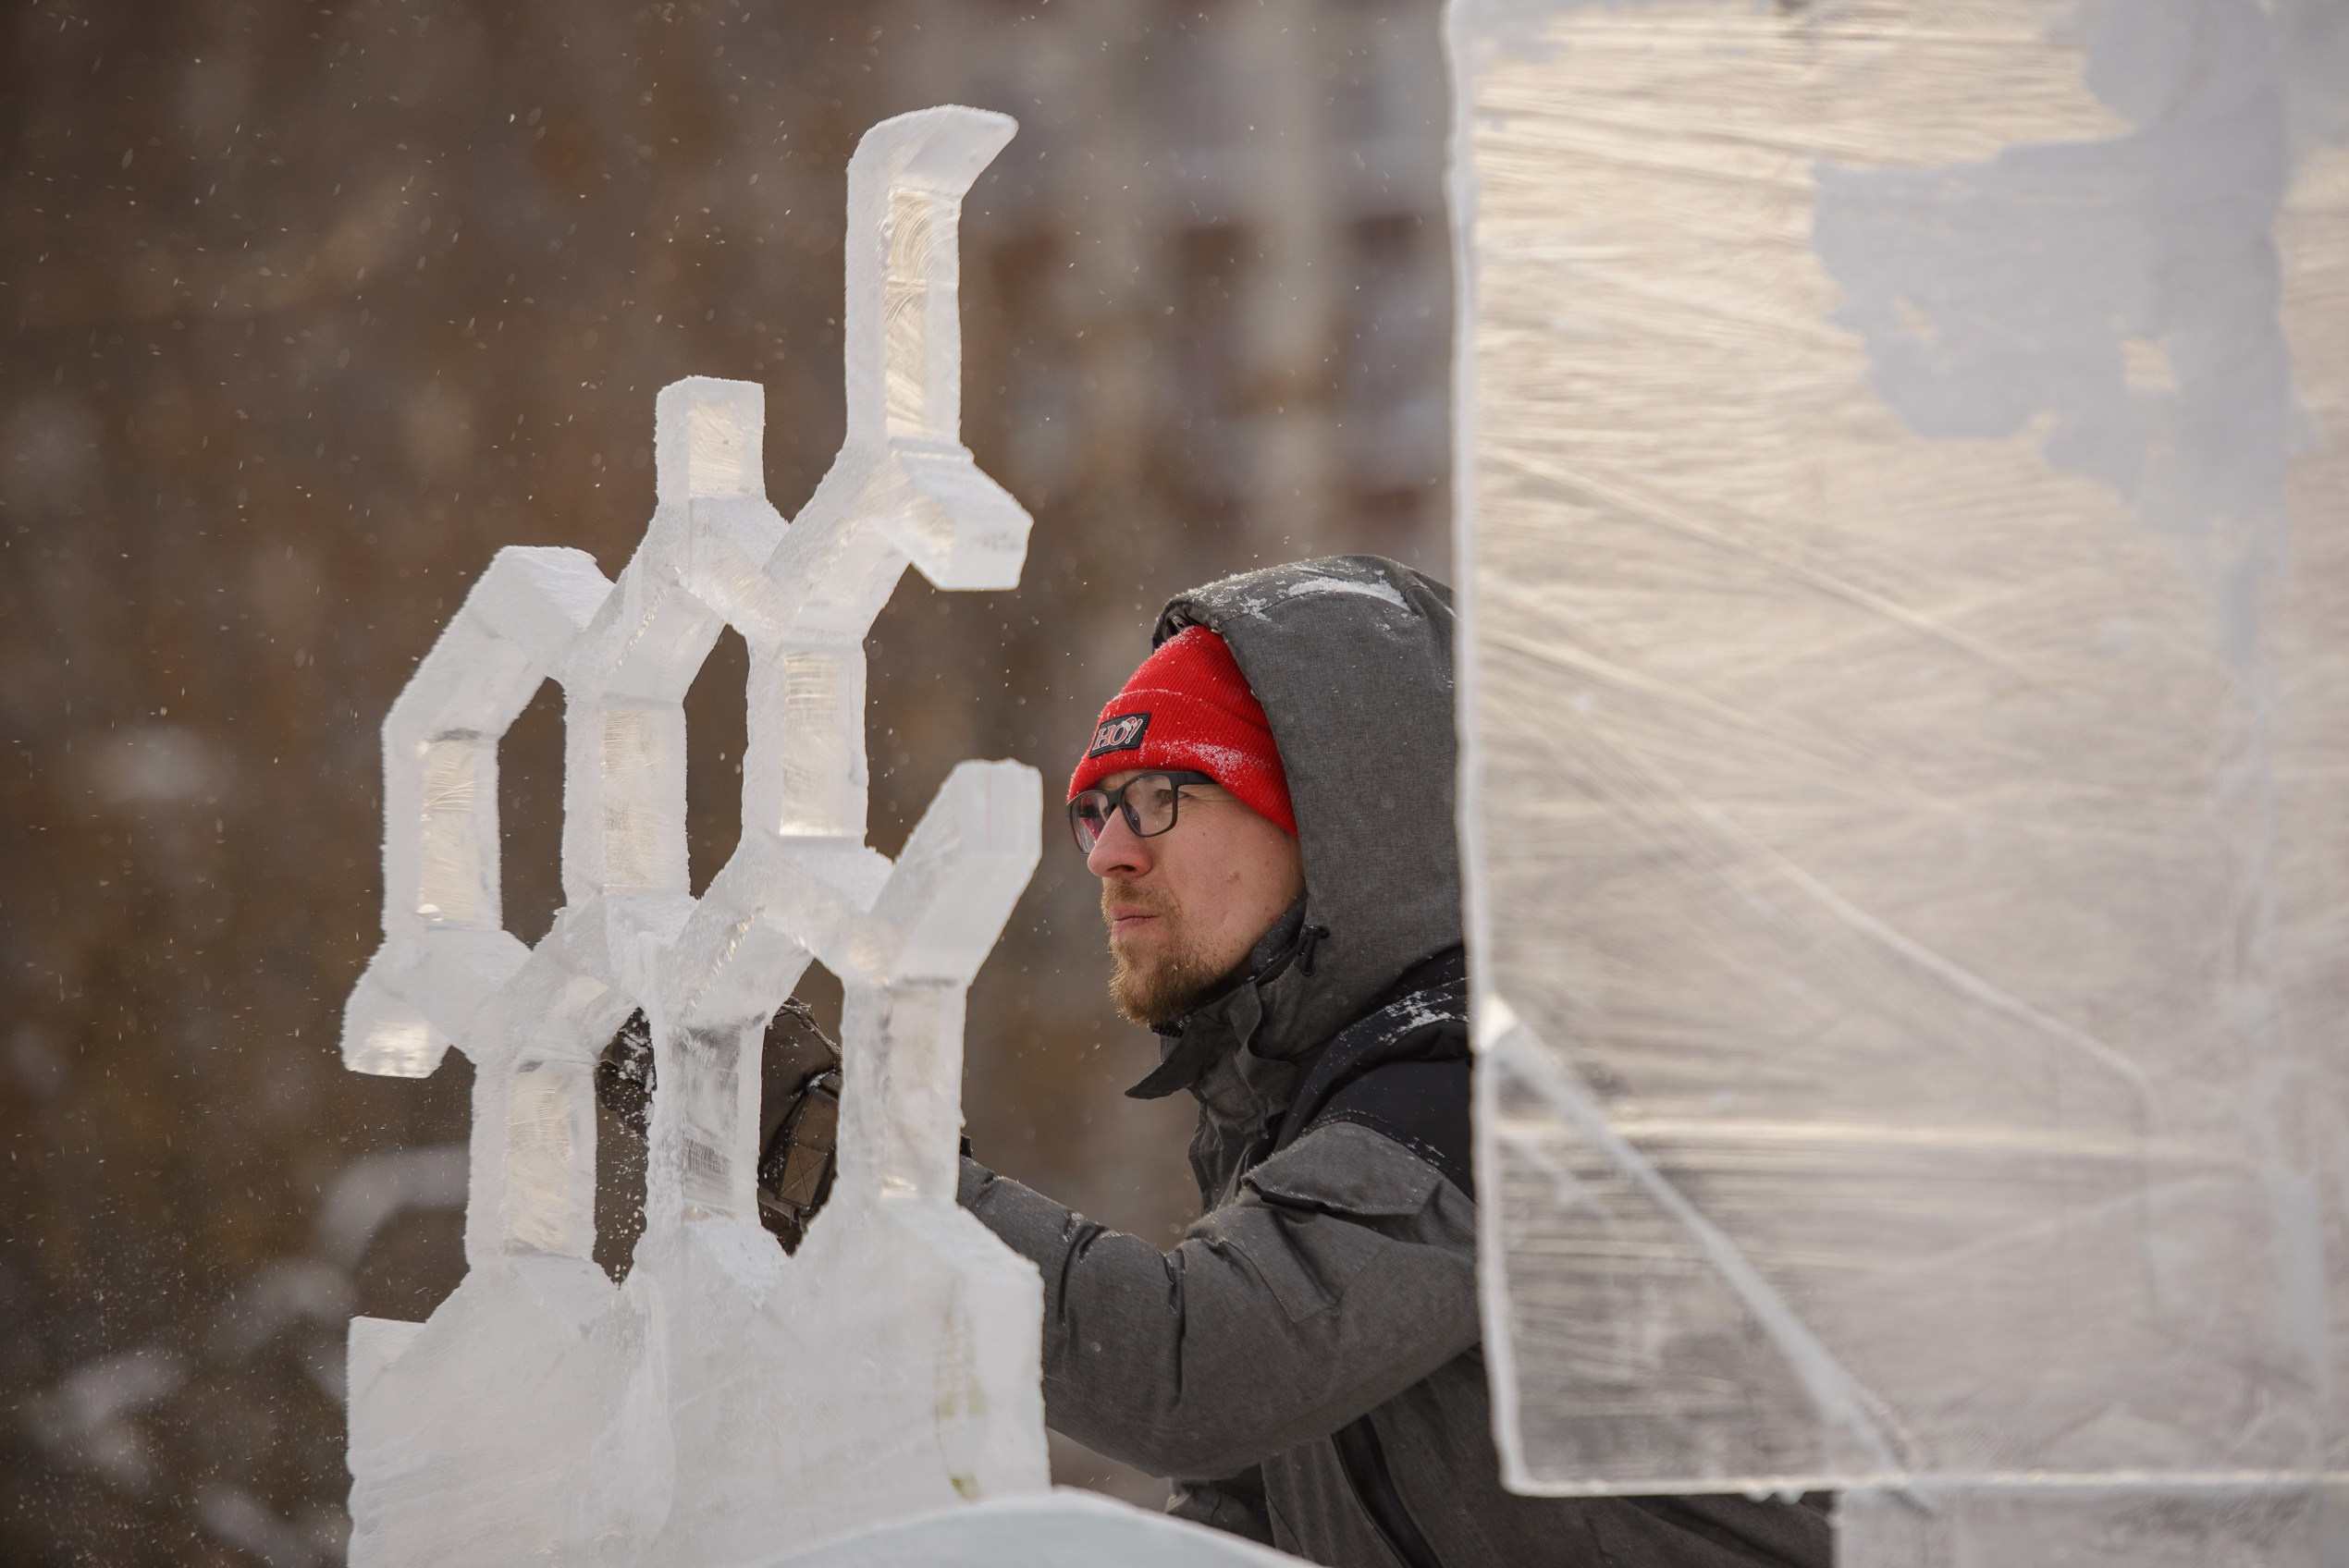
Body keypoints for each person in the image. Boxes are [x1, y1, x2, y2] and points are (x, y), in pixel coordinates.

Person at [952, 557, 1831, 1567]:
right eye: (1094, 810)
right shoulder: (1307, 1101)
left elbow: (1194, 1378)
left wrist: (862, 1171)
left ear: (1336, 818)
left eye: (1159, 794)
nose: (1109, 851)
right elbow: (1251, 1518)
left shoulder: (1489, 1084)